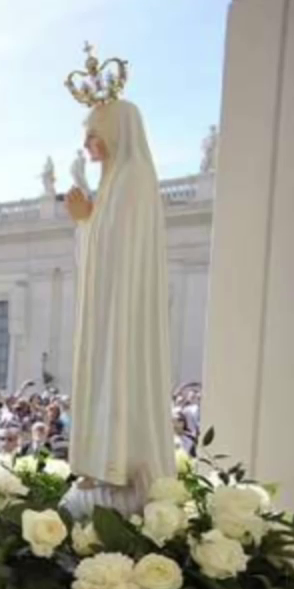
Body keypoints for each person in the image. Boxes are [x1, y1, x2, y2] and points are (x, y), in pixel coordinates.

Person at [63, 95, 175, 517]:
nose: (87, 143)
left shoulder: (133, 178)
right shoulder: (114, 181)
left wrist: (86, 220)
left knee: (118, 371)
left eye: (93, 133)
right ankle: (99, 464)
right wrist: (86, 221)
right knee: (101, 373)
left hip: (121, 309)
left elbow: (117, 249)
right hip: (106, 306)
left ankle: (119, 465)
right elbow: (100, 247)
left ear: (117, 132)